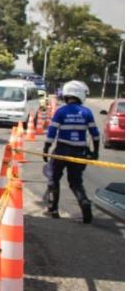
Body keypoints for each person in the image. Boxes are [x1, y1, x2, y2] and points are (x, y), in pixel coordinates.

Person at [43, 79, 101, 223]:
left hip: (62, 150)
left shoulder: (61, 111)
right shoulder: (87, 112)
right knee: (75, 182)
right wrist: (96, 152)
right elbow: (95, 134)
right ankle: (84, 203)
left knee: (53, 178)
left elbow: (52, 131)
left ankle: (53, 209)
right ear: (79, 94)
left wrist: (46, 148)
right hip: (79, 152)